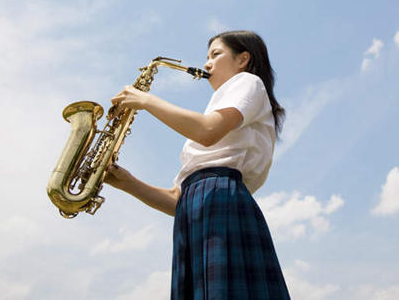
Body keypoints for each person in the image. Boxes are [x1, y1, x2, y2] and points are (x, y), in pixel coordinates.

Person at [104, 30, 291, 300]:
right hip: (198, 206)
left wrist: (146, 100)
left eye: (216, 54)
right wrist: (127, 182)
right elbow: (176, 200)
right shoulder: (224, 101)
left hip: (220, 199)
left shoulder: (248, 82)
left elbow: (207, 131)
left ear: (243, 59)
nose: (206, 64)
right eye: (207, 56)